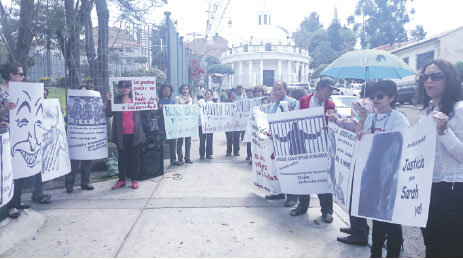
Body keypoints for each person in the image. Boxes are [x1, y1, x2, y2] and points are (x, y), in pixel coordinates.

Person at [356, 80, 410, 258]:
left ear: (392, 97)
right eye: (372, 96)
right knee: (376, 217)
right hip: (372, 175)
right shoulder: (370, 118)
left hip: (391, 175)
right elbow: (361, 142)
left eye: (380, 96)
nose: (375, 100)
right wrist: (361, 125)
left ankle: (393, 254)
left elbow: (401, 143)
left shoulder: (398, 119)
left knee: (392, 220)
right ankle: (375, 253)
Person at [417, 59, 463, 258]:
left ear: (449, 79)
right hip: (429, 187)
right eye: (425, 77)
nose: (429, 81)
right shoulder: (425, 112)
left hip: (453, 187)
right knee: (432, 244)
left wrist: (444, 131)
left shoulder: (460, 110)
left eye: (436, 76)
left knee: (453, 246)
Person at [328, 82, 375, 246]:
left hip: (357, 153)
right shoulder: (382, 109)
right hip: (370, 155)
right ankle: (357, 227)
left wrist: (338, 120)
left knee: (354, 193)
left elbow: (355, 125)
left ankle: (359, 233)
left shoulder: (359, 103)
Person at [290, 77, 338, 224]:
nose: (330, 92)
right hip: (305, 145)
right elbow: (293, 119)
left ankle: (327, 211)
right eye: (328, 89)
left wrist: (331, 122)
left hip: (323, 147)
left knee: (324, 179)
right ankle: (302, 206)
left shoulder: (330, 104)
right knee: (305, 177)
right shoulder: (304, 101)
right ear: (319, 88)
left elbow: (335, 124)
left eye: (331, 90)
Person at [0, 63, 29, 218]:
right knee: (10, 170)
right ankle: (11, 206)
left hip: (21, 134)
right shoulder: (0, 91)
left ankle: (17, 201)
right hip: (6, 136)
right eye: (20, 74)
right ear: (11, 75)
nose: (22, 77)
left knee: (21, 169)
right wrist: (5, 109)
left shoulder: (21, 90)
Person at [264, 80, 298, 207]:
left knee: (289, 168)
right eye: (275, 89)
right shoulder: (274, 104)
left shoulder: (292, 102)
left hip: (289, 142)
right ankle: (278, 192)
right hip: (276, 141)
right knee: (277, 168)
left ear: (285, 90)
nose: (277, 92)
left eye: (279, 89)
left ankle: (292, 197)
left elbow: (296, 121)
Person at [106, 80, 145, 190]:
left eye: (127, 86)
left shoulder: (137, 99)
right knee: (122, 158)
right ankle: (121, 180)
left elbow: (147, 112)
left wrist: (153, 101)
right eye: (122, 86)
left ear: (130, 88)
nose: (124, 88)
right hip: (121, 134)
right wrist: (109, 101)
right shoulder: (116, 100)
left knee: (135, 158)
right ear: (118, 88)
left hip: (135, 134)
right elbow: (108, 114)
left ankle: (134, 179)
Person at [64, 85, 95, 193]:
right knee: (73, 161)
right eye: (81, 92)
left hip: (87, 137)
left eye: (85, 92)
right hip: (76, 137)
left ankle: (85, 182)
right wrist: (68, 111)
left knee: (87, 160)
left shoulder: (92, 104)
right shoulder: (72, 103)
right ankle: (69, 184)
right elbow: (67, 119)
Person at [158, 84, 182, 166]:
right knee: (160, 143)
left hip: (171, 125)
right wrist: (159, 108)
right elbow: (153, 112)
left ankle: (173, 159)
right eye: (165, 89)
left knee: (173, 143)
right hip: (161, 125)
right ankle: (158, 160)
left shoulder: (172, 102)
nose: (167, 91)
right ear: (162, 91)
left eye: (169, 90)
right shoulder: (158, 101)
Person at [175, 84, 194, 164]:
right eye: (183, 89)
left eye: (187, 89)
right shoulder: (177, 98)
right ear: (181, 90)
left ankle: (187, 157)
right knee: (180, 141)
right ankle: (180, 158)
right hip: (180, 122)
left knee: (188, 140)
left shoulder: (190, 99)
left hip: (188, 122)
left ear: (188, 90)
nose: (185, 90)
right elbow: (176, 109)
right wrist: (184, 104)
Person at [197, 89, 214, 159]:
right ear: (204, 95)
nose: (208, 95)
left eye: (210, 94)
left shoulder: (212, 103)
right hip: (201, 124)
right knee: (202, 139)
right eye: (207, 94)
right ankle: (201, 154)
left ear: (212, 96)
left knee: (209, 139)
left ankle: (209, 154)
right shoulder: (200, 101)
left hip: (210, 124)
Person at [225, 88, 240, 156]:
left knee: (236, 137)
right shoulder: (226, 101)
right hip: (228, 121)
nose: (233, 94)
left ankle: (236, 151)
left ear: (236, 94)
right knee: (229, 137)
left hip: (236, 121)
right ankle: (229, 151)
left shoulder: (239, 101)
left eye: (234, 93)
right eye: (232, 92)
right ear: (230, 94)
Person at [245, 89, 254, 160]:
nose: (249, 95)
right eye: (248, 94)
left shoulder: (255, 101)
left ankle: (252, 155)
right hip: (247, 123)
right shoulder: (244, 102)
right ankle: (248, 155)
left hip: (254, 123)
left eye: (250, 93)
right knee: (248, 140)